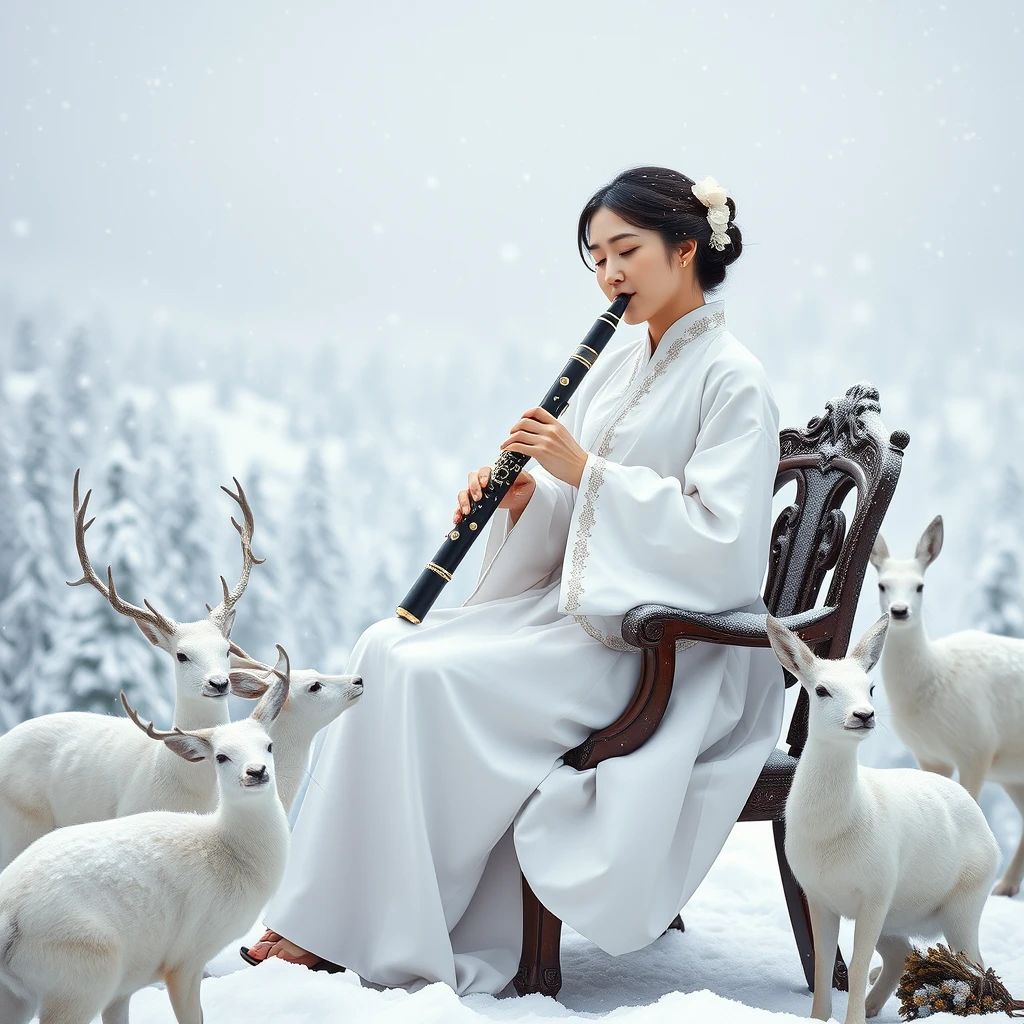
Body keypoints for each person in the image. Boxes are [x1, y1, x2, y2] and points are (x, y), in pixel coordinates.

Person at [242, 165, 784, 995]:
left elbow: (721, 541)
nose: (607, 275)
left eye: (624, 252)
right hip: (584, 613)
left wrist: (585, 470)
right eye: (595, 257)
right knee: (384, 649)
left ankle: (385, 929)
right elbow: (584, 509)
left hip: (666, 649)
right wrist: (532, 497)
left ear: (685, 249)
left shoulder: (732, 376)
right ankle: (325, 915)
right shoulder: (620, 360)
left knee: (430, 680)